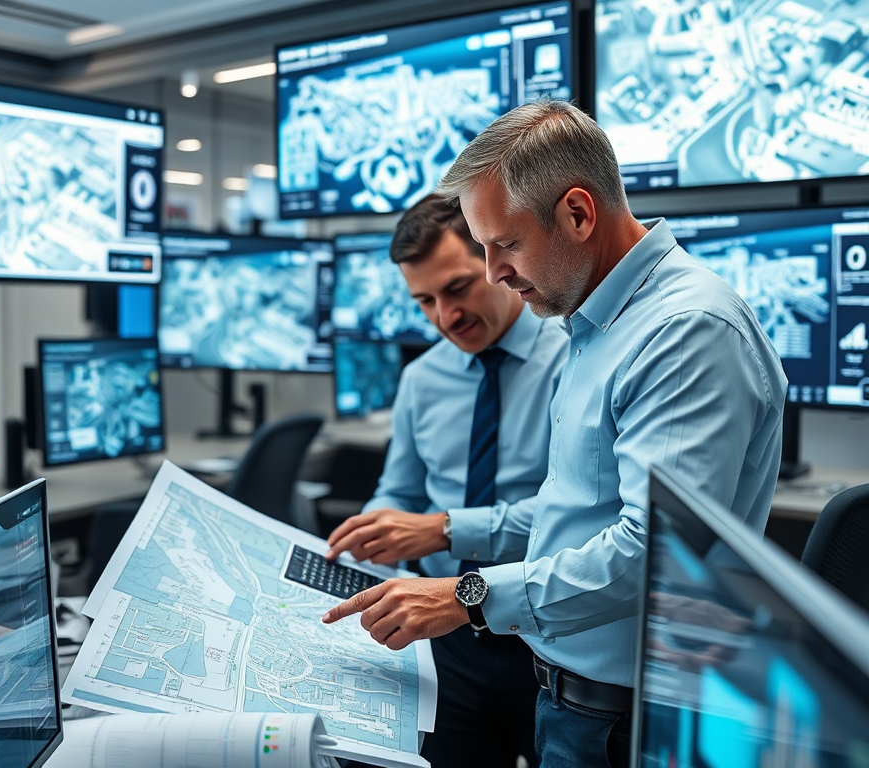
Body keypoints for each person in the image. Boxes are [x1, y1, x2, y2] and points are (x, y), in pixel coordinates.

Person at [322, 100, 787, 768]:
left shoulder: (684, 332)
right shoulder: (595, 326)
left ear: (577, 212)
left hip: (627, 711)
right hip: (575, 695)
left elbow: (652, 554)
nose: (494, 274)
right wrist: (449, 536)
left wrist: (466, 594)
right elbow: (575, 512)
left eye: (504, 245)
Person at [328, 194, 567, 768]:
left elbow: (575, 518)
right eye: (425, 301)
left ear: (496, 260)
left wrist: (443, 531)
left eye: (457, 289)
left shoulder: (573, 359)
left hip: (545, 629)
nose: (444, 317)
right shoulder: (422, 378)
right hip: (444, 640)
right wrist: (377, 527)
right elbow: (401, 492)